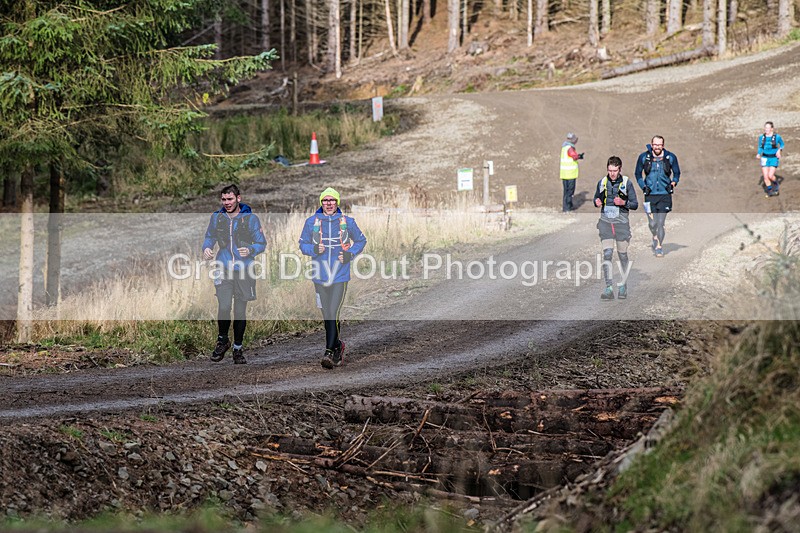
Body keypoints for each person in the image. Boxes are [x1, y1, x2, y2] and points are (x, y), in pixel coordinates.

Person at [299, 187, 367, 369]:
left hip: (339, 275)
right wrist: (313, 249)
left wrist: (349, 254)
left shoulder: (348, 222)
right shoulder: (312, 221)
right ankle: (338, 346)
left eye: (332, 200)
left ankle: (329, 352)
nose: (329, 203)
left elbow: (361, 241)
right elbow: (302, 244)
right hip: (319, 276)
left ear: (337, 202)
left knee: (333, 312)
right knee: (326, 314)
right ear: (321, 203)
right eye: (325, 200)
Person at [202, 184, 267, 364]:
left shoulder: (250, 219)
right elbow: (210, 237)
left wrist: (251, 249)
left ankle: (238, 349)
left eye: (230, 199)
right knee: (223, 306)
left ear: (238, 198)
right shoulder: (217, 218)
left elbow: (262, 243)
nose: (227, 203)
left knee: (240, 310)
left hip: (244, 270)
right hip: (222, 268)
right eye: (223, 199)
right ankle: (223, 340)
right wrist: (207, 248)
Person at [594, 156, 639, 300]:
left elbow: (635, 204)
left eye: (615, 170)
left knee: (622, 256)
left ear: (620, 169)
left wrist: (623, 202)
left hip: (621, 225)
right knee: (607, 254)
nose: (612, 173)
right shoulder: (602, 182)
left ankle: (623, 286)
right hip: (606, 224)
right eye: (610, 170)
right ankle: (608, 288)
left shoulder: (627, 183)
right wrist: (597, 202)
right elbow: (597, 198)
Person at [634, 135, 681, 258]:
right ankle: (654, 236)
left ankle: (659, 246)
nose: (657, 147)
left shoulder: (670, 157)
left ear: (663, 145)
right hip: (649, 195)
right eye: (655, 144)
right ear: (651, 144)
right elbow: (638, 174)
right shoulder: (644, 157)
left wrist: (673, 183)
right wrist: (643, 186)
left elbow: (677, 173)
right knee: (652, 223)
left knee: (660, 222)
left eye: (659, 145)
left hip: (665, 195)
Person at [757, 121, 784, 197]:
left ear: (772, 129)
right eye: (765, 127)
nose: (766, 129)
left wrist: (779, 150)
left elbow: (782, 144)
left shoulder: (777, 137)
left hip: (773, 158)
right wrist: (758, 154)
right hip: (765, 157)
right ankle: (770, 191)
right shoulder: (761, 137)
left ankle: (776, 184)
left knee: (770, 175)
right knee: (765, 177)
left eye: (768, 128)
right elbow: (760, 147)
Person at [559, 132, 584, 212]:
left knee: (566, 192)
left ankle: (566, 206)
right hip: (570, 174)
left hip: (564, 174)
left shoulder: (564, 147)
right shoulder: (570, 148)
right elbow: (573, 156)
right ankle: (567, 208)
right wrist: (579, 156)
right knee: (570, 191)